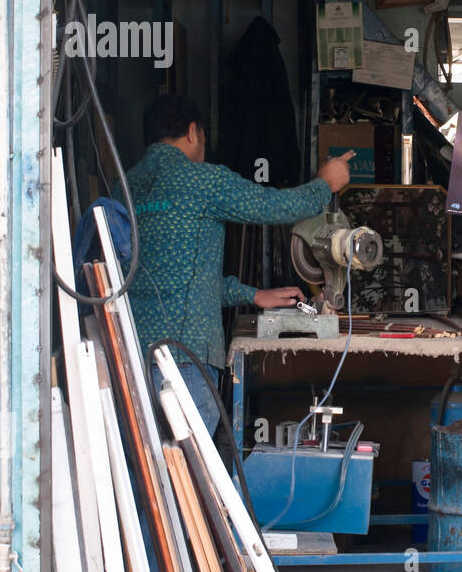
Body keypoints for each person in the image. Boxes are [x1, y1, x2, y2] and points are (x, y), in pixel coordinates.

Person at [124, 94, 351, 433]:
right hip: (184, 361)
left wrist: (252, 295)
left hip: (127, 358)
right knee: (188, 471)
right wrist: (324, 185)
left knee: (144, 473)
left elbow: (176, 274)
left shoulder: (124, 185)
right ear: (192, 132)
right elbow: (271, 207)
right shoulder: (201, 180)